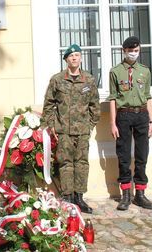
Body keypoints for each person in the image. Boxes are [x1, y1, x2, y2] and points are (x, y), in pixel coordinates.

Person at [42, 44, 100, 214]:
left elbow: (94, 106)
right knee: (65, 163)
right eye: (71, 56)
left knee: (81, 164)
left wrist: (89, 125)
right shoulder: (57, 80)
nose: (74, 58)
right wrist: (51, 125)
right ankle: (67, 197)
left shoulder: (88, 80)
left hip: (82, 131)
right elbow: (49, 104)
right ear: (66, 59)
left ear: (81, 58)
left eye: (77, 55)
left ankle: (79, 197)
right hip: (64, 131)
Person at [108, 36, 152, 211]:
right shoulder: (115, 71)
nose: (133, 54)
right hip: (124, 115)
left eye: (136, 51)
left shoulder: (145, 71)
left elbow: (148, 97)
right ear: (124, 51)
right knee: (123, 156)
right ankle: (126, 194)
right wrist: (112, 123)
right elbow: (113, 99)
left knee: (142, 155)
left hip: (142, 115)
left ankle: (141, 194)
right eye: (130, 51)